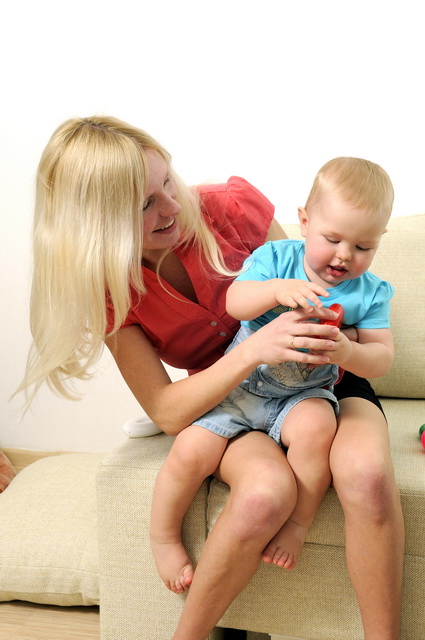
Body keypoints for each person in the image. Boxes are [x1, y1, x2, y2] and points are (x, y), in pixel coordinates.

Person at [16, 116, 404, 640]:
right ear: (97, 222)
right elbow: (166, 409)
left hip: (322, 380)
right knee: (265, 494)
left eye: (168, 182)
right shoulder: (109, 290)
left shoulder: (231, 209)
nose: (173, 207)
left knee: (368, 478)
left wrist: (342, 342)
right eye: (144, 204)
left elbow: (308, 280)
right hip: (230, 395)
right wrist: (253, 353)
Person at [150, 157, 395, 584]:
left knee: (319, 429)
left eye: (363, 247)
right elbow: (235, 303)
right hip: (243, 386)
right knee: (189, 449)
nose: (344, 255)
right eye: (332, 239)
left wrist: (348, 352)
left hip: (303, 394)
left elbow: (382, 357)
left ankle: (297, 524)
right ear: (305, 222)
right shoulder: (276, 258)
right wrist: (276, 290)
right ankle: (164, 537)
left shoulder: (370, 292)